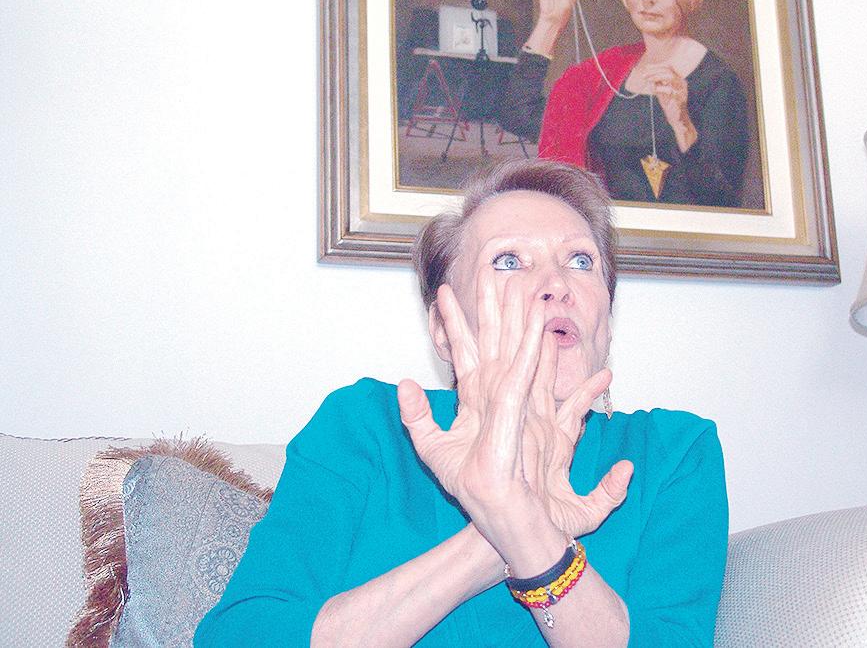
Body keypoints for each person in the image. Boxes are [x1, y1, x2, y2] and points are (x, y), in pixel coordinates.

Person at [195, 159, 728, 646]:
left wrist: (522, 525)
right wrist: (505, 521)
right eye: (510, 260)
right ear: (444, 330)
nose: (556, 284)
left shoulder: (673, 452)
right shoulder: (365, 424)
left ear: (606, 318)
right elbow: (239, 637)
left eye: (580, 260)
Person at [500, 0, 750, 207]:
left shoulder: (718, 82)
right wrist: (551, 22)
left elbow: (723, 198)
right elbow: (519, 115)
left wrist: (682, 124)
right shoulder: (610, 73)